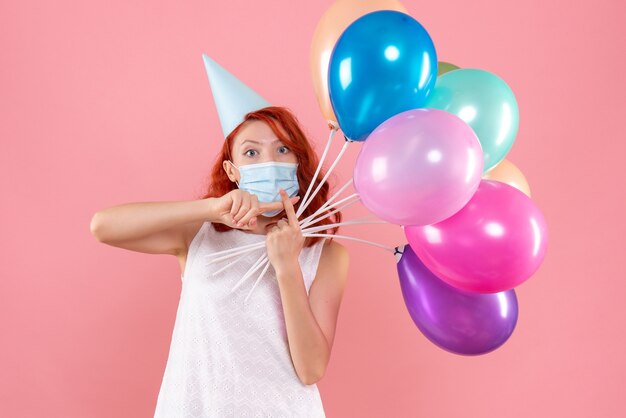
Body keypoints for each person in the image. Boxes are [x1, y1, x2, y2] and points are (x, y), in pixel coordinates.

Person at [90, 105, 350, 417]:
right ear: (232, 171)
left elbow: (311, 370)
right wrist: (210, 209)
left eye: (282, 149)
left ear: (298, 161)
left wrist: (287, 266)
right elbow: (103, 227)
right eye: (251, 153)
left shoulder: (326, 254)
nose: (268, 162)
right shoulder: (199, 235)